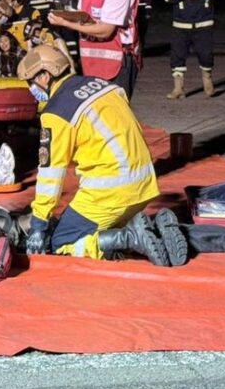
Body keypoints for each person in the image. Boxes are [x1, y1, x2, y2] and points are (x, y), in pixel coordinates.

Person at [17, 45, 187, 266]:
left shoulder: (57, 112)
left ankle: (130, 238)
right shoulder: (102, 85)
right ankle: (150, 234)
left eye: (31, 82)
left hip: (110, 191)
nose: (31, 89)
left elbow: (51, 174)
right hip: (144, 184)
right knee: (88, 226)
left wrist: (39, 224)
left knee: (62, 241)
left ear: (44, 75)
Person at [48, 0, 141, 99]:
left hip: (118, 63)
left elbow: (106, 30)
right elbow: (84, 15)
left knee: (114, 115)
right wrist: (65, 15)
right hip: (92, 62)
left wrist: (65, 23)